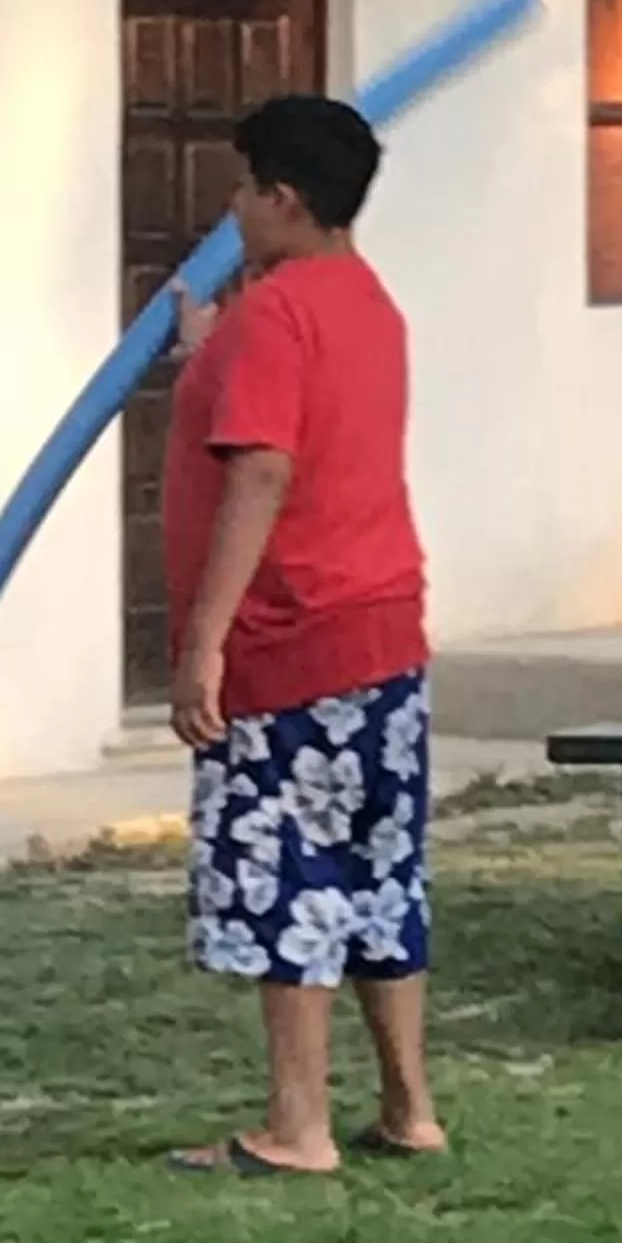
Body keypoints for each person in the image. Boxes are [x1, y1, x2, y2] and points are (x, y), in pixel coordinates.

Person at [161, 93, 443, 1178]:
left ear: (281, 198)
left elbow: (266, 469)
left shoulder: (277, 314)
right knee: (380, 870)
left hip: (294, 645)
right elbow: (285, 413)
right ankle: (409, 1106)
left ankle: (297, 1127)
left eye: (243, 188)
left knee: (289, 875)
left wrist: (205, 644)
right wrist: (206, 354)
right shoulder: (367, 302)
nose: (233, 207)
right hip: (384, 637)